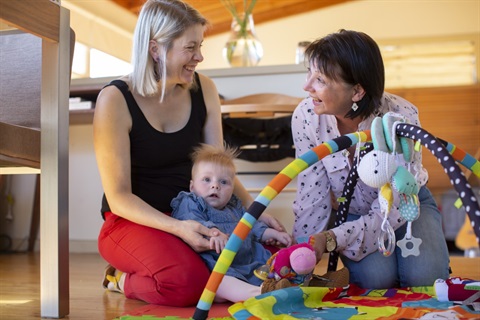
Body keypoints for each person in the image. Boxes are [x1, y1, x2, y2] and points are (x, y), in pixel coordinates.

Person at [94, 0, 286, 307]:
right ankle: (121, 278)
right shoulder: (114, 100)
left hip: (197, 216)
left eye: (200, 45)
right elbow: (118, 197)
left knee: (270, 258)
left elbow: (220, 168)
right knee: (188, 283)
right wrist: (179, 228)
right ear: (156, 49)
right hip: (132, 222)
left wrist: (255, 215)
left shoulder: (204, 89)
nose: (199, 56)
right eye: (191, 47)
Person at [291, 29, 450, 289]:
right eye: (309, 73)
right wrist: (302, 257)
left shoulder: (401, 116)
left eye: (319, 79)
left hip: (406, 203)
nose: (306, 86)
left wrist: (331, 238)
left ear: (356, 92)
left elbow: (395, 203)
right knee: (376, 281)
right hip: (351, 210)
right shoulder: (306, 116)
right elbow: (311, 194)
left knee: (425, 280)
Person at [171, 144, 293, 302]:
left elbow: (250, 224)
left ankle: (285, 283)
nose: (215, 185)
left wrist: (272, 233)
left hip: (247, 260)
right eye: (207, 180)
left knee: (274, 262)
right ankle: (260, 294)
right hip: (220, 266)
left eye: (224, 182)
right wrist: (213, 232)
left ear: (233, 188)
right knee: (220, 283)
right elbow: (191, 219)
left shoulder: (235, 207)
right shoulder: (191, 202)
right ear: (192, 186)